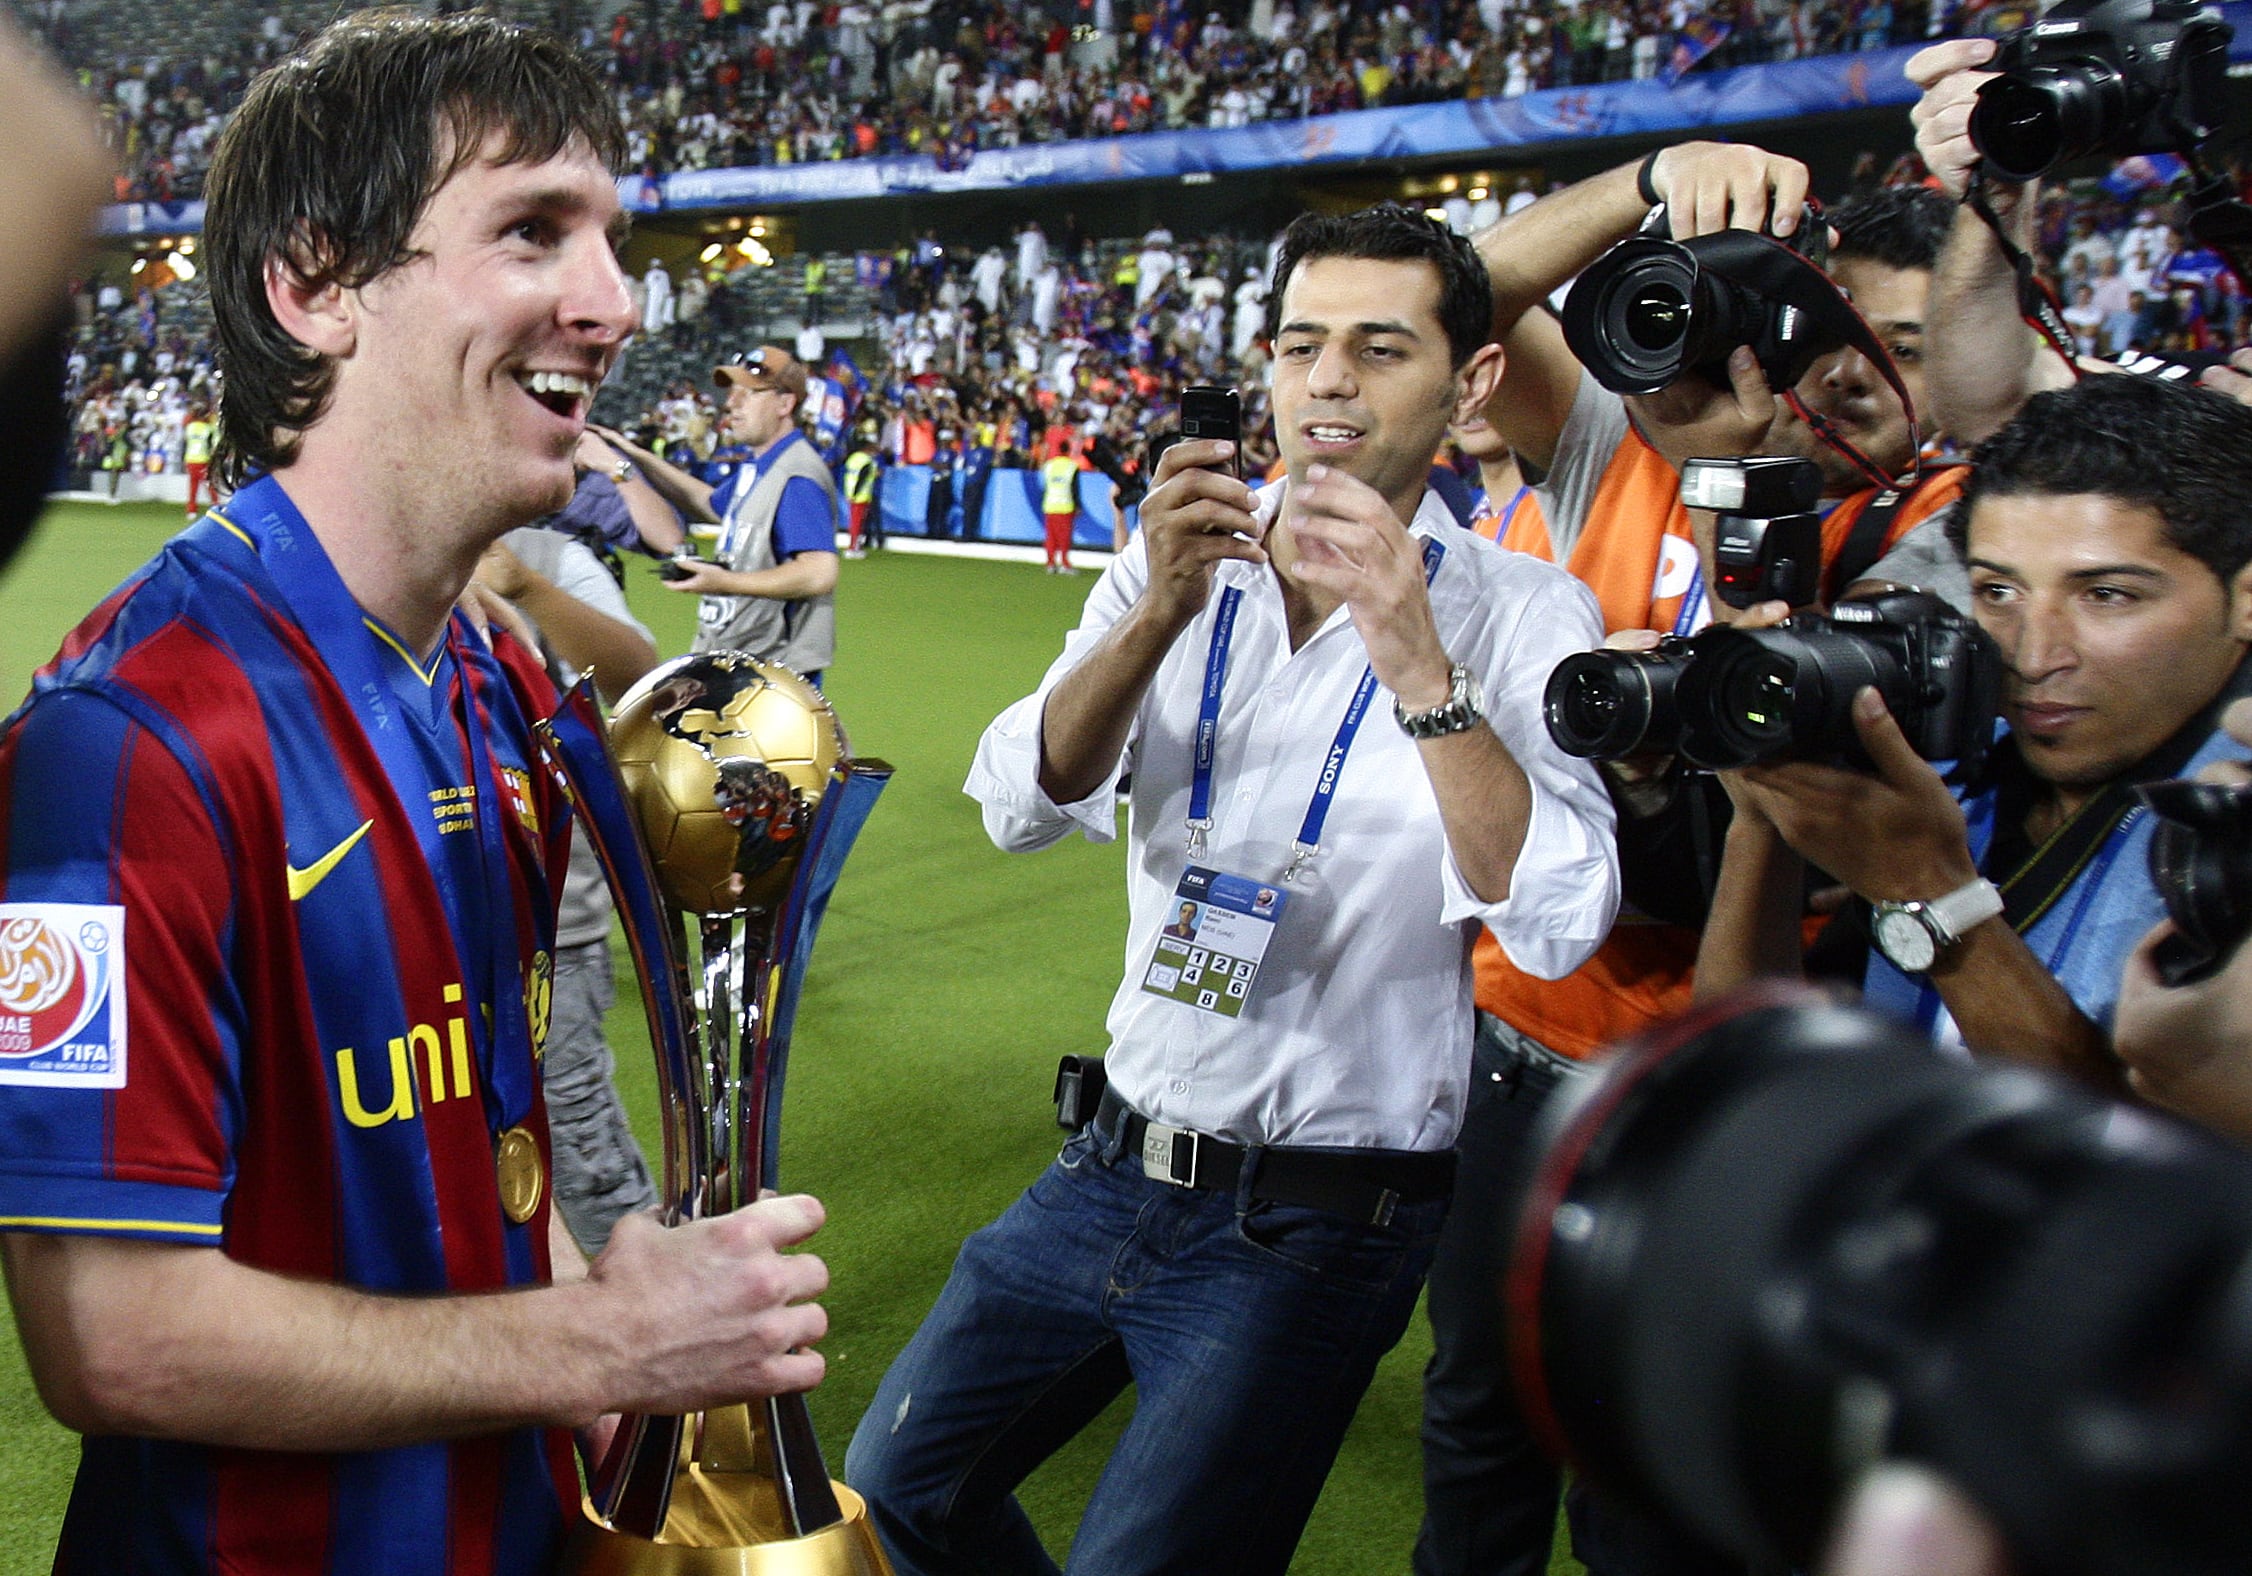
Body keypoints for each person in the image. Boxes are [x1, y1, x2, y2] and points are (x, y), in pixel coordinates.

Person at [0, 16, 830, 1574]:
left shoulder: (503, 687)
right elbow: (112, 1338)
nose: (614, 303)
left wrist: (612, 1346)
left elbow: (492, 1126)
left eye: (612, 240)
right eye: (532, 230)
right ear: (315, 288)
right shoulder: (125, 738)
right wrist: (598, 1351)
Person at [844, 201, 1618, 1576]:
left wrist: (1415, 660)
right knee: (898, 1480)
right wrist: (1154, 614)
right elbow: (1021, 801)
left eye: (1380, 348)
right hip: (1102, 1164)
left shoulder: (1519, 610)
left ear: (1473, 382)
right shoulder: (1176, 558)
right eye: (1300, 345)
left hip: (1319, 1217)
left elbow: (1558, 915)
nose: (1328, 380)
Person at [1698, 374, 2252, 1087]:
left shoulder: (2231, 825)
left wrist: (1929, 890)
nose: (2032, 654)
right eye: (1998, 591)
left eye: (2106, 595)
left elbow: (2138, 1175)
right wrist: (1764, 816)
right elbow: (1736, 1075)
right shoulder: (1947, 766)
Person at [470, 528, 662, 1255]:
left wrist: (523, 588)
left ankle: (660, 1323)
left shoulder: (549, 558)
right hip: (412, 919)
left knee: (577, 1138)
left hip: (554, 925)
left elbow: (639, 677)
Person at [602, 345, 841, 684]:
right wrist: (634, 457)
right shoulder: (760, 465)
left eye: (748, 394)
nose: (731, 404)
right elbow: (707, 502)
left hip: (771, 676)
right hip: (741, 663)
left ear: (785, 404)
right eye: (732, 393)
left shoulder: (796, 475)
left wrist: (724, 583)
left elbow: (819, 572)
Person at [1040, 435, 1080, 572]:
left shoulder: (1049, 466)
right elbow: (1075, 489)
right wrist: (1078, 505)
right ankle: (1064, 563)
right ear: (1069, 450)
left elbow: (1045, 485)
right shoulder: (1072, 467)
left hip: (1050, 505)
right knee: (1064, 538)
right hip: (1065, 506)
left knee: (1051, 537)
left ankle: (1050, 563)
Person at [181, 399, 213, 519]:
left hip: (190, 459)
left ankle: (191, 511)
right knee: (210, 485)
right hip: (203, 459)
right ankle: (216, 506)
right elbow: (211, 444)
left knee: (193, 486)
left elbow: (185, 442)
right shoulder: (208, 428)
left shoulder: (190, 427)